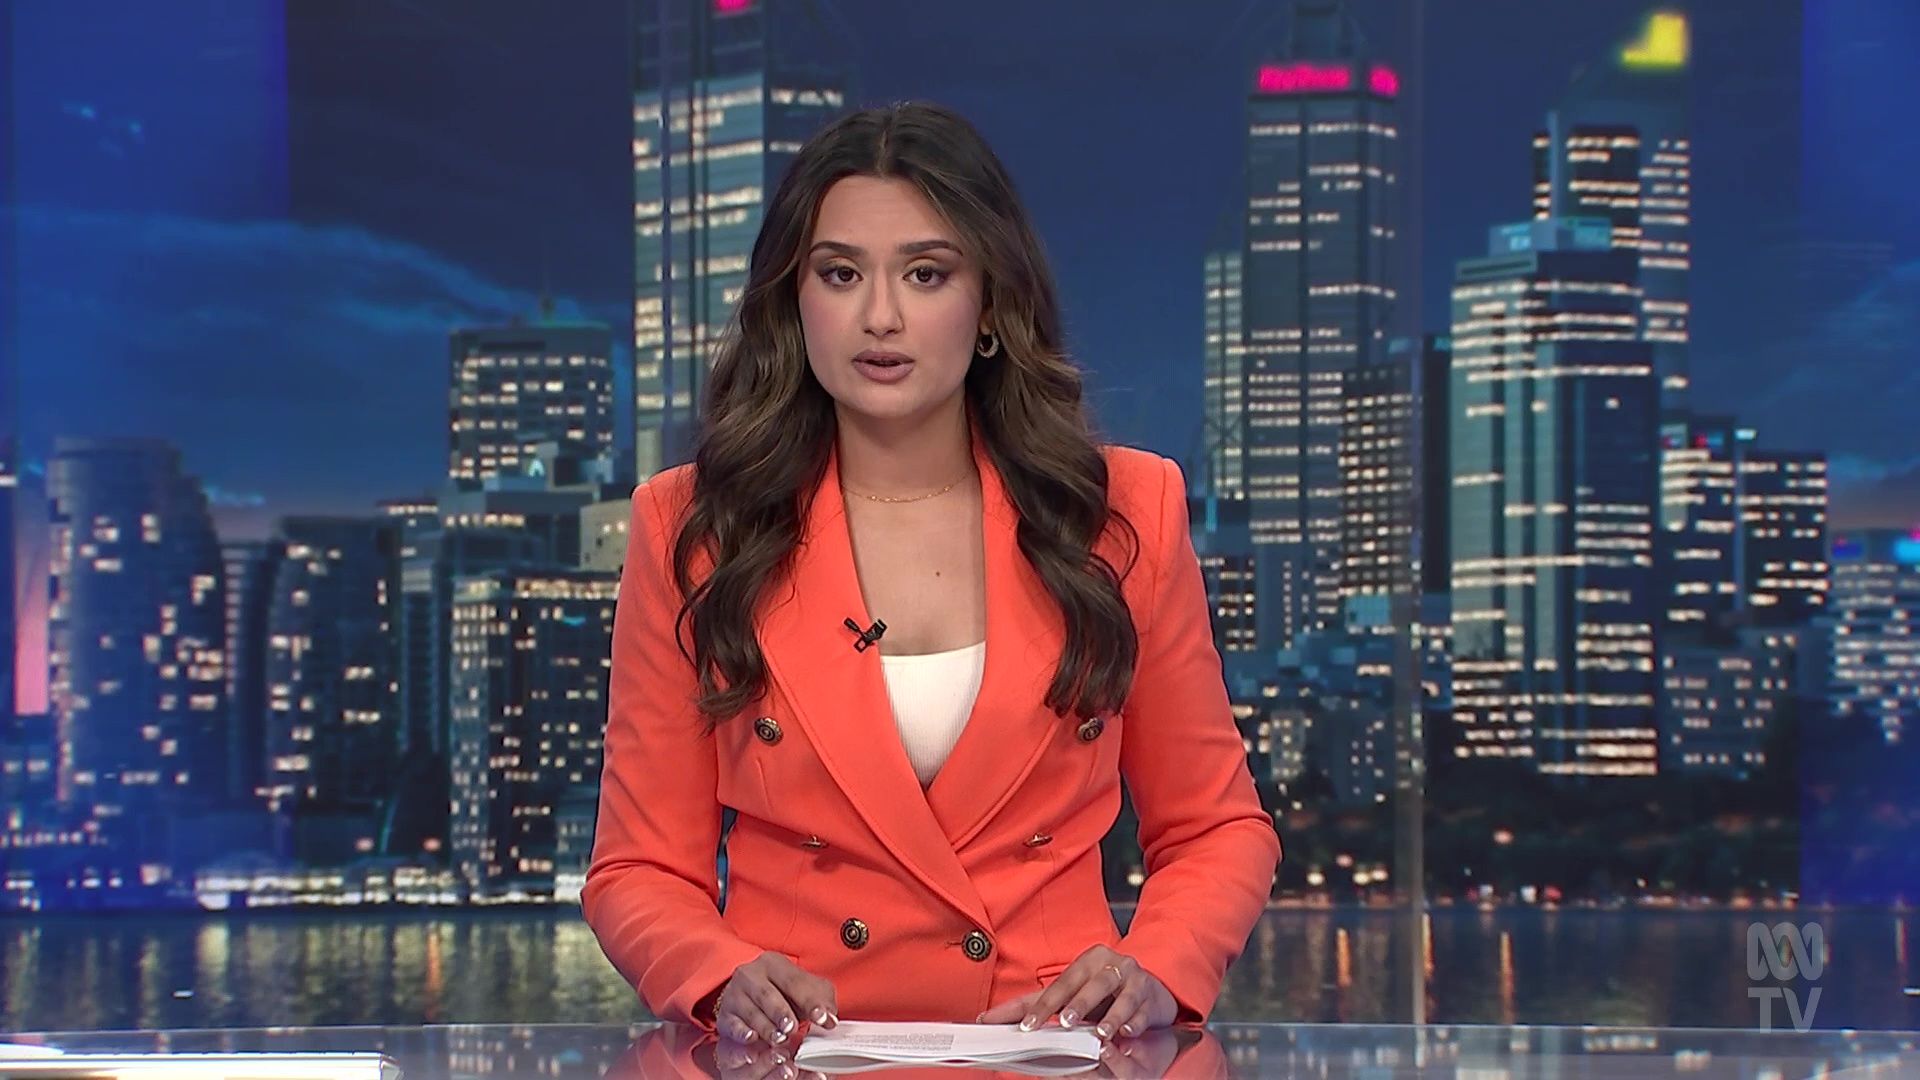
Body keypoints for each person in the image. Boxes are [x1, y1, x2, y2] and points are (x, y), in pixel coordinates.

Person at [583, 101, 1280, 1057]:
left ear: (989, 303)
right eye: (840, 274)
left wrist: (1155, 967)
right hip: (803, 1058)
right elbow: (637, 867)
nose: (880, 316)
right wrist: (717, 973)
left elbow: (1216, 828)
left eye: (925, 273)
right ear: (793, 300)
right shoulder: (694, 528)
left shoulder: (1121, 514)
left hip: (1046, 1054)